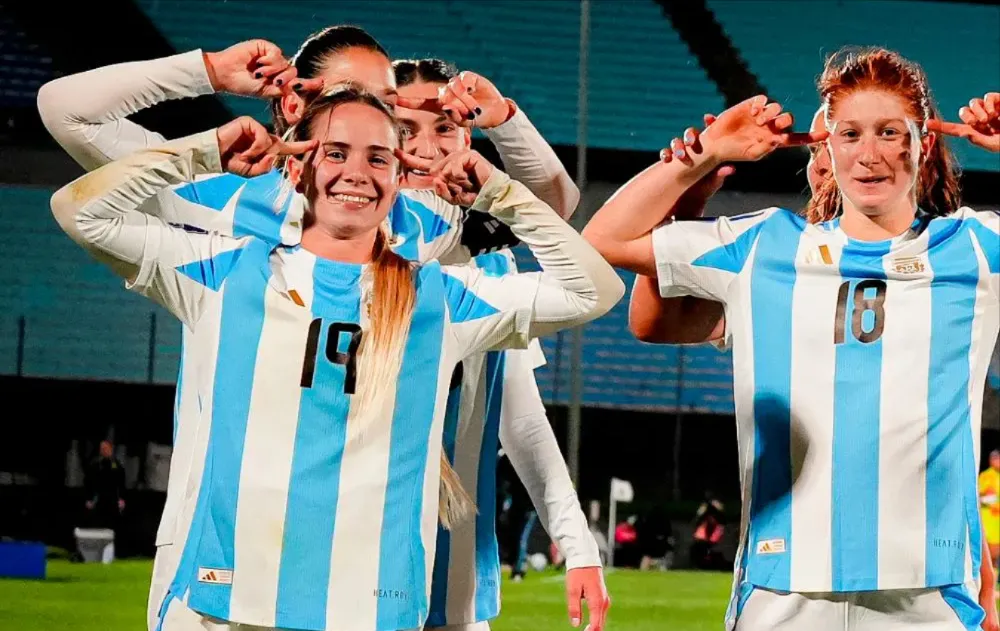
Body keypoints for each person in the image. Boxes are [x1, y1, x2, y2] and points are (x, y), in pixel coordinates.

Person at [37, 26, 605, 631]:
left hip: (365, 555)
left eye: (386, 104)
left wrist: (505, 123)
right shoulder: (223, 197)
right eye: (354, 97)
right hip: (218, 536)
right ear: (294, 103)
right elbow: (66, 114)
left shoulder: (412, 223)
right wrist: (205, 71)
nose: (375, 116)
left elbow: (551, 206)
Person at [583, 45, 999, 630]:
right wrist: (701, 156)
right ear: (823, 146)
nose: (868, 154)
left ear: (922, 142)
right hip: (783, 590)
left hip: (926, 595)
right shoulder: (764, 247)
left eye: (888, 132)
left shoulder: (975, 248)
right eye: (848, 134)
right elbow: (604, 239)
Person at [392, 57, 607, 631]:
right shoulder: (341, 250)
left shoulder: (489, 262)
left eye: (445, 127)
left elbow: (523, 422)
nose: (429, 146)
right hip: (351, 554)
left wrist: (578, 546)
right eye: (405, 130)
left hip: (456, 576)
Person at [982, 450, 1000, 579]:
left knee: (995, 556)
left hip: (997, 522)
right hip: (988, 522)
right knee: (989, 556)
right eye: (994, 458)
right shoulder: (986, 476)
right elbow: (980, 496)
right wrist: (987, 498)